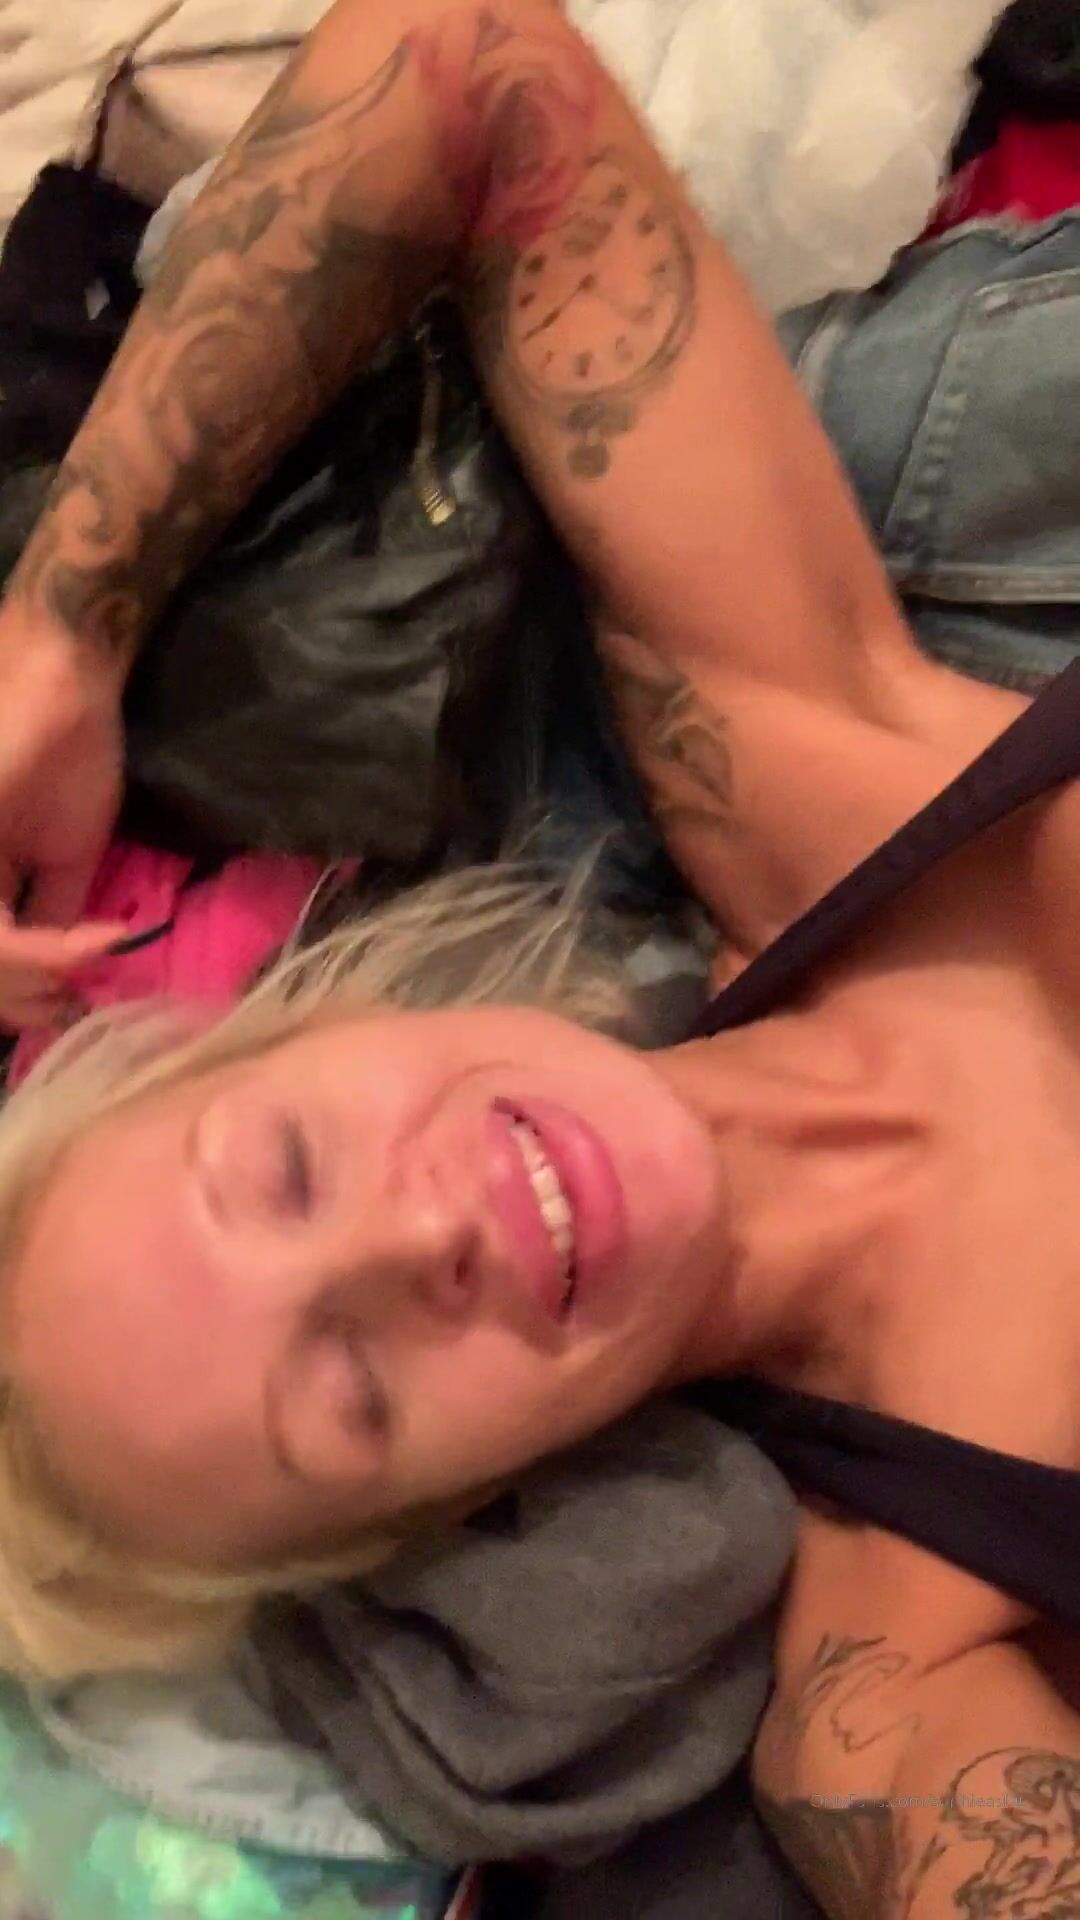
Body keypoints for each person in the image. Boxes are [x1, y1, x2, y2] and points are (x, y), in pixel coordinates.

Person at [0, 4, 1075, 1917]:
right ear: (456, 1512)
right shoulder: (888, 1678)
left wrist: (63, 626)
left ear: (311, 1032)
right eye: (353, 1393)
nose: (419, 1239)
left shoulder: (793, 752)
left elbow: (470, 63)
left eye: (291, 1168)